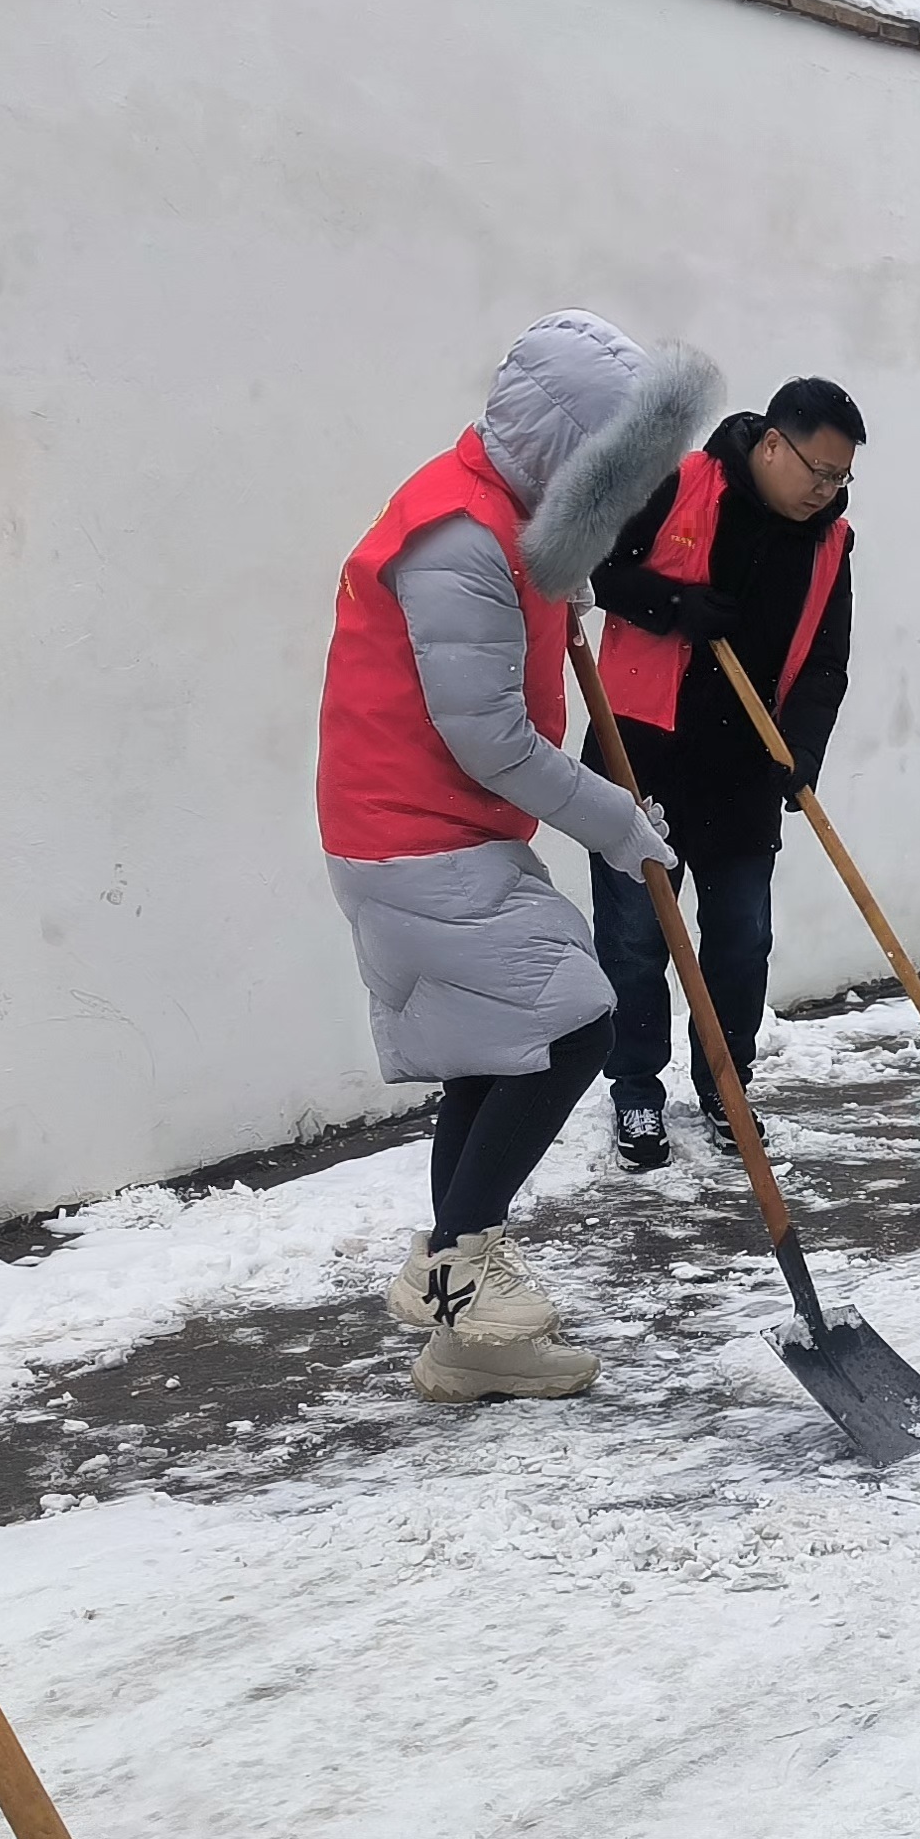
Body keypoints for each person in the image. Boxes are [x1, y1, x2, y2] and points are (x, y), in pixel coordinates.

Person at [320, 310, 710, 1404]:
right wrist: (619, 824)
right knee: (577, 1019)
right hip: (412, 831)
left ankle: (462, 1347)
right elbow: (487, 738)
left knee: (497, 1056)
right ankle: (451, 1269)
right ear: (566, 447)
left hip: (429, 828)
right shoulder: (460, 541)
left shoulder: (503, 519)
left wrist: (560, 587)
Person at [582, 378, 864, 1170]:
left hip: (744, 772)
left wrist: (801, 751)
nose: (825, 489)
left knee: (742, 944)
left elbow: (825, 666)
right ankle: (636, 1091)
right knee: (635, 942)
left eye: (840, 477)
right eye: (817, 469)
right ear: (772, 442)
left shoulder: (830, 544)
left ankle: (725, 1087)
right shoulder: (675, 484)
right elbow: (588, 569)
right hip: (640, 757)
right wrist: (673, 607)